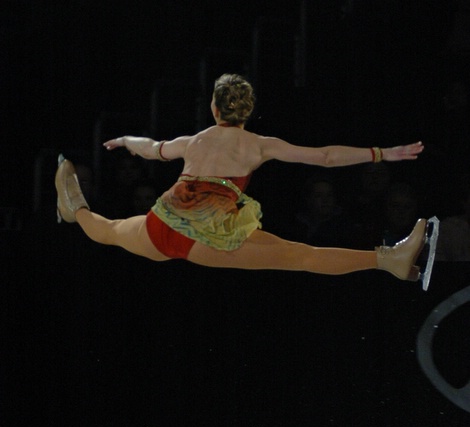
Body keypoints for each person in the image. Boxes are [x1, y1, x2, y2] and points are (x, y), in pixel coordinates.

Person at [55, 73, 427, 282]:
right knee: (301, 256)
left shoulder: (195, 140)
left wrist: (125, 140)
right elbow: (325, 157)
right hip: (204, 235)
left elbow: (151, 148)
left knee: (109, 230)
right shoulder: (258, 145)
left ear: (214, 108)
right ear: (248, 112)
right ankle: (387, 260)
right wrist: (381, 153)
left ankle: (74, 208)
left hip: (162, 223)